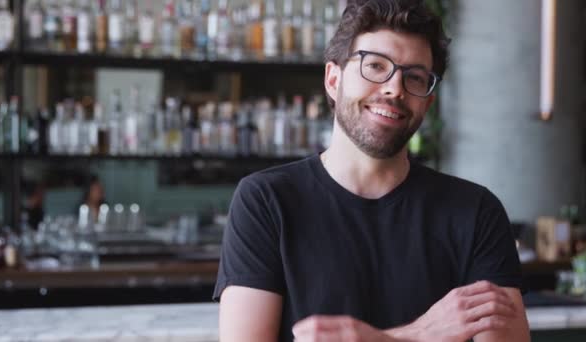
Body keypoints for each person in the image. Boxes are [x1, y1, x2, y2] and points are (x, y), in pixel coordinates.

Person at [214, 0, 529, 341]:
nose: (395, 88)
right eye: (375, 66)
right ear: (333, 79)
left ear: (427, 102)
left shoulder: (476, 212)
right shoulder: (266, 200)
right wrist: (418, 334)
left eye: (415, 77)